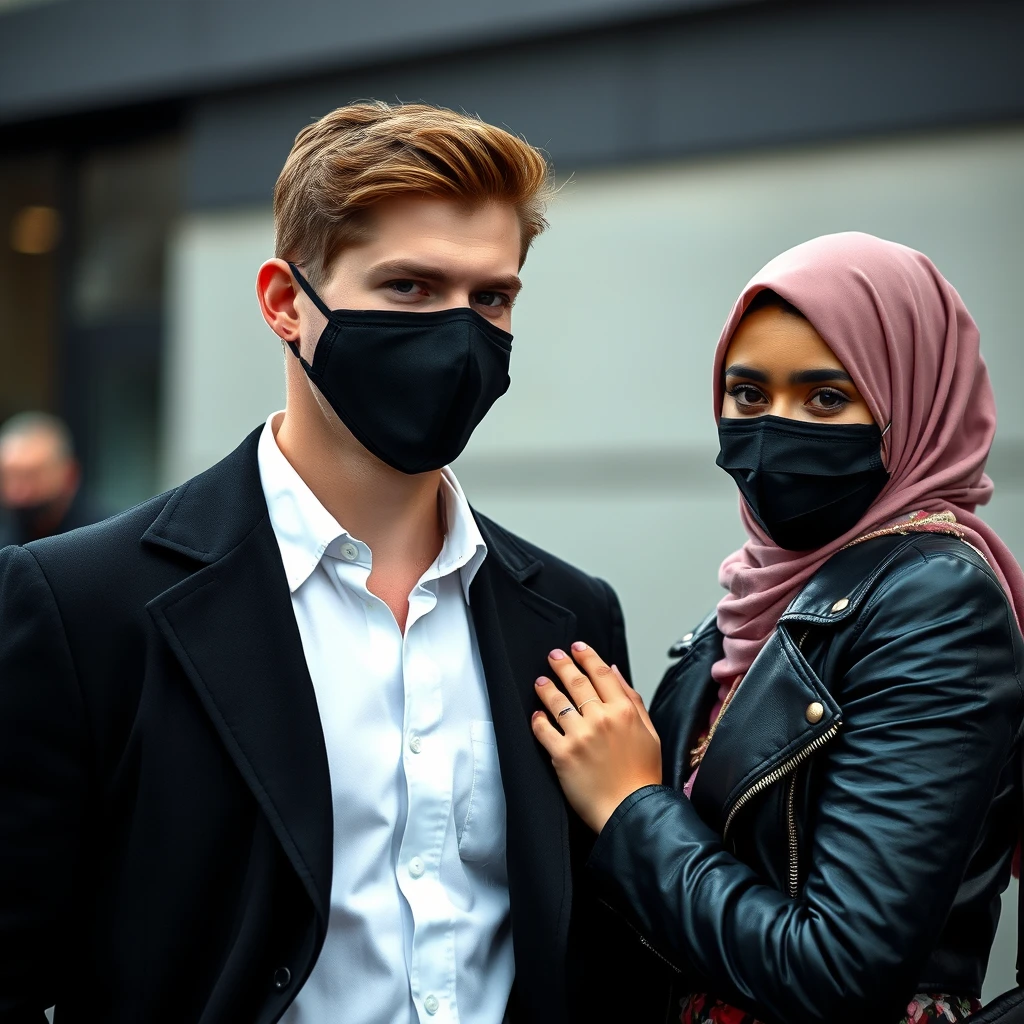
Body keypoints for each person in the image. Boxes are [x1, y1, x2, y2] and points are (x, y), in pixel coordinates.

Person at [0, 102, 674, 1023]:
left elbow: (589, 950)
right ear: (285, 303)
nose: (460, 333)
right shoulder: (84, 602)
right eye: (408, 287)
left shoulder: (568, 613)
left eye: (492, 297)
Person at [529, 232, 1024, 1023]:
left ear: (910, 401)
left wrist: (628, 808)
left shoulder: (936, 603)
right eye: (749, 395)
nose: (775, 429)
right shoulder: (743, 615)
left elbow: (837, 971)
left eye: (827, 398)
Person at [0, 412, 106, 546]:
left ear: (69, 474)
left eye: (32, 476)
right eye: (9, 477)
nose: (18, 493)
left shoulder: (104, 540)